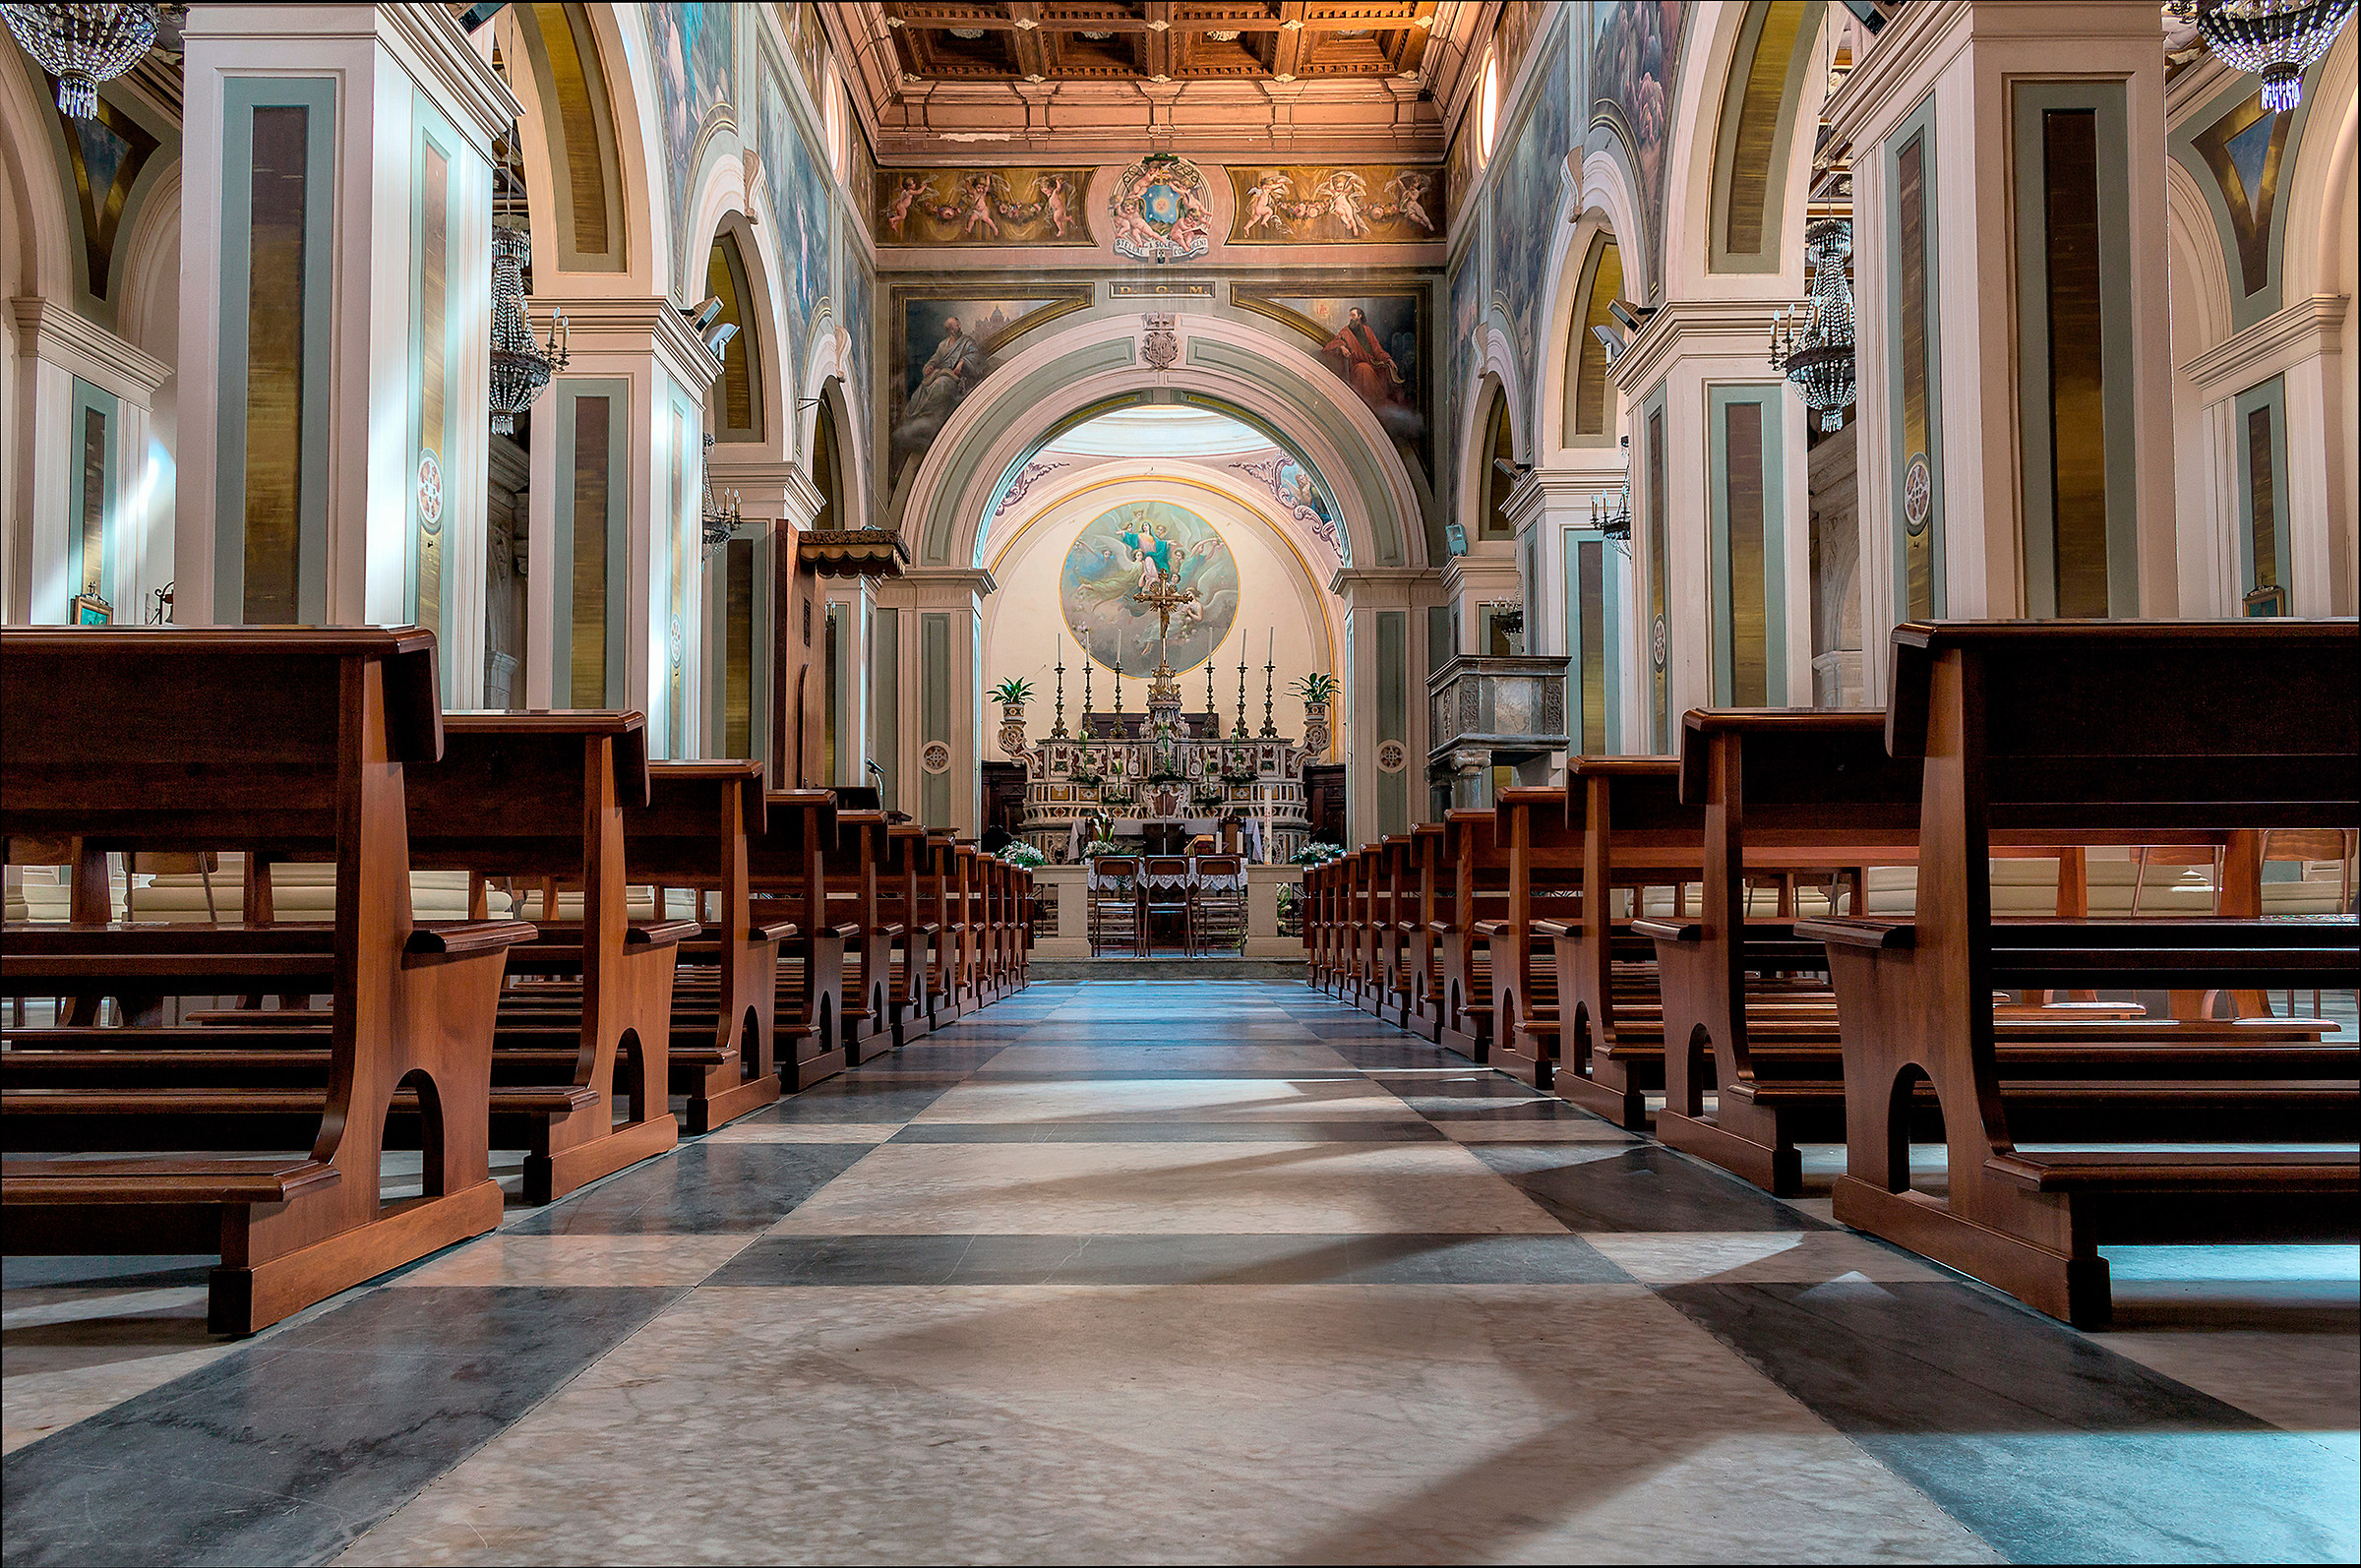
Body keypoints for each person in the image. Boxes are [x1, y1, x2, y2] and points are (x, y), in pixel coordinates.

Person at [891, 314, 991, 465]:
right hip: (942, 373)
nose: (956, 328)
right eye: (952, 326)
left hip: (956, 377)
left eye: (956, 325)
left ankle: (931, 419)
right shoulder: (943, 345)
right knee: (922, 390)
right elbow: (935, 359)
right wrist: (929, 367)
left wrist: (962, 362)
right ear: (948, 330)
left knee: (941, 385)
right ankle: (920, 417)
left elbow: (975, 355)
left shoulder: (966, 342)